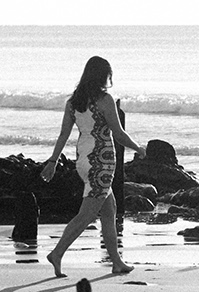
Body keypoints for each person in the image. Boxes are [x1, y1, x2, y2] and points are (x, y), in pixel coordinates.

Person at [39, 55, 144, 278]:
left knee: (109, 210)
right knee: (86, 214)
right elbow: (119, 134)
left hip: (83, 160)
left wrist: (53, 162)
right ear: (102, 76)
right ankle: (57, 253)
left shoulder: (73, 102)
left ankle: (116, 262)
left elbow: (63, 135)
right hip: (101, 162)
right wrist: (139, 149)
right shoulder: (105, 100)